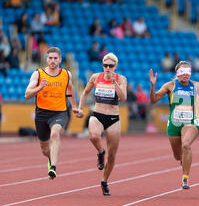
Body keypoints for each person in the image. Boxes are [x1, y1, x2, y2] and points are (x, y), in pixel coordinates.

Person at [24, 47, 80, 179]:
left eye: (55, 58)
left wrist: (74, 107)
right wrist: (40, 87)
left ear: (60, 60)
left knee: (55, 133)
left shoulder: (66, 74)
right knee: (44, 149)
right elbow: (27, 94)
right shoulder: (38, 74)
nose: (53, 60)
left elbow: (69, 90)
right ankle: (50, 158)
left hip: (59, 112)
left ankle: (53, 167)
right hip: (42, 114)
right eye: (50, 58)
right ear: (46, 59)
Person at [77, 53, 127, 196]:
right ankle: (100, 152)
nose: (108, 68)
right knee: (93, 135)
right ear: (102, 66)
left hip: (113, 118)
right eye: (105, 65)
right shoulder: (95, 77)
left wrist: (114, 83)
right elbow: (85, 92)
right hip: (97, 114)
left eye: (111, 66)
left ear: (115, 67)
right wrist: (80, 107)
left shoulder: (121, 79)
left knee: (112, 156)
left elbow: (123, 98)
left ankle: (104, 181)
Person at [149, 61, 199, 189]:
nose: (185, 74)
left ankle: (185, 178)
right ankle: (183, 161)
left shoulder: (197, 86)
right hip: (174, 124)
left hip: (190, 123)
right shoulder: (170, 86)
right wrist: (152, 85)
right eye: (182, 72)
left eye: (188, 72)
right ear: (177, 73)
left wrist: (197, 119)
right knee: (178, 155)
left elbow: (198, 103)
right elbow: (153, 100)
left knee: (186, 145)